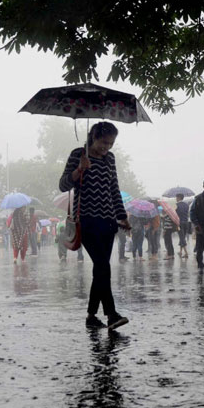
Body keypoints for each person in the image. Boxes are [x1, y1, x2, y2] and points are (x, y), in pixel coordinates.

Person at [59, 121, 131, 330]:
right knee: (102, 266)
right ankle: (111, 314)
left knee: (101, 269)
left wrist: (122, 216)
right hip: (86, 220)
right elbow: (63, 184)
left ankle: (91, 316)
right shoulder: (78, 154)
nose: (106, 147)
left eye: (110, 144)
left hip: (108, 221)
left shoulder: (110, 159)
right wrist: (79, 169)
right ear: (93, 136)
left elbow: (114, 188)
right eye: (103, 142)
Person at [175, 194, 190, 259]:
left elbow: (176, 214)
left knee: (181, 237)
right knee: (182, 236)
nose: (176, 198)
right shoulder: (187, 205)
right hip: (186, 223)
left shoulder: (177, 205)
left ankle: (186, 253)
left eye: (176, 197)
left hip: (180, 223)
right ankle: (180, 251)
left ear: (179, 197)